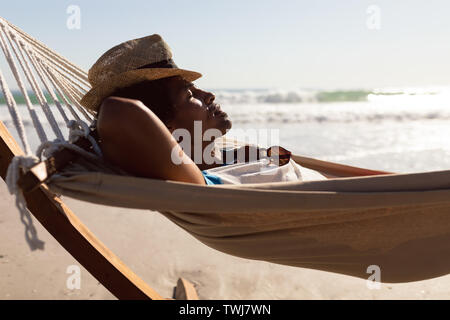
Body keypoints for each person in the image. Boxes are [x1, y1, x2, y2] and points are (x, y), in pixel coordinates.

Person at [80, 34, 327, 185]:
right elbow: (117, 111)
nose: (209, 95)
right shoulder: (193, 179)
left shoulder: (222, 158)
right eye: (189, 94)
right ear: (165, 126)